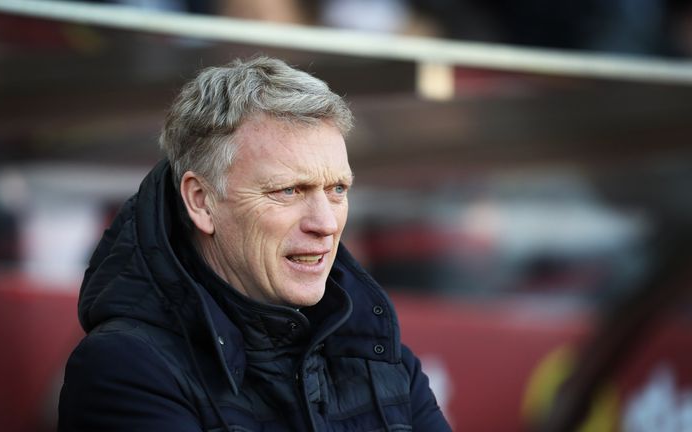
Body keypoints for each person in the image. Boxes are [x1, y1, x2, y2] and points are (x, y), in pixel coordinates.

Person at [57, 56, 451, 431]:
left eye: (337, 189)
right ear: (201, 201)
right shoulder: (125, 369)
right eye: (288, 190)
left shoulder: (382, 357)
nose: (326, 223)